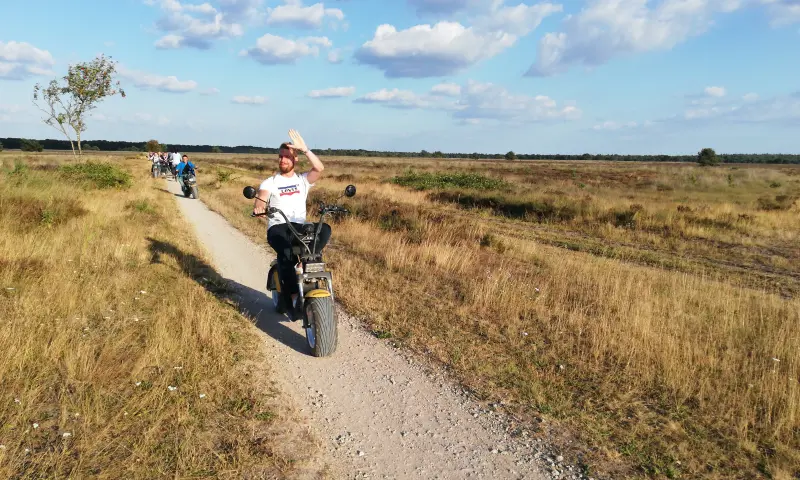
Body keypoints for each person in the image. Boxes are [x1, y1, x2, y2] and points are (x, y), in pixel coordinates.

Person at [252, 129, 327, 318]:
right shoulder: (270, 182)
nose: (283, 160)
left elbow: (319, 169)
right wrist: (259, 207)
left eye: (287, 157)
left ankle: (308, 260)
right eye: (281, 156)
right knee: (286, 254)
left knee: (324, 229)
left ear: (295, 159)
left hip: (298, 226)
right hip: (278, 227)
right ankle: (293, 296)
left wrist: (305, 149)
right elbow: (262, 198)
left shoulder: (302, 180)